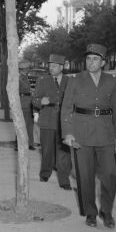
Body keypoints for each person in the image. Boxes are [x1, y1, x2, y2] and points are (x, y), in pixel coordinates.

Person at [61, 43, 116, 228]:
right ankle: (90, 212)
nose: (91, 62)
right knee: (85, 177)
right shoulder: (75, 80)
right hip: (82, 134)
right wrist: (68, 133)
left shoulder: (112, 81)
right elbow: (66, 109)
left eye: (95, 59)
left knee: (110, 175)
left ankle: (106, 211)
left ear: (103, 62)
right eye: (88, 58)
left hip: (105, 134)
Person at [32, 54, 72, 190]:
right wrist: (40, 102)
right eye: (50, 66)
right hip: (47, 119)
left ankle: (64, 179)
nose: (51, 68)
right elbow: (34, 99)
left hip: (64, 122)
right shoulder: (43, 81)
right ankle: (45, 173)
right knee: (47, 150)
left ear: (62, 67)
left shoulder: (69, 81)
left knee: (64, 152)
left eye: (54, 66)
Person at [16, 61, 35, 150]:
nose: (28, 70)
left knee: (29, 124)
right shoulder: (19, 78)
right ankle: (19, 144)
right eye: (27, 68)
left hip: (27, 102)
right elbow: (20, 90)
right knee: (22, 124)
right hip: (23, 103)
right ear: (24, 69)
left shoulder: (24, 77)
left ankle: (29, 143)